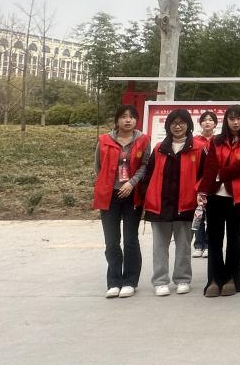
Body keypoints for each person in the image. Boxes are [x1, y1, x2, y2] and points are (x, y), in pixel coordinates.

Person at [197, 105, 240, 297]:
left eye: (239, 118)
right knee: (214, 238)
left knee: (234, 238)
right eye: (232, 118)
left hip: (237, 196)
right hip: (215, 195)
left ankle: (232, 278)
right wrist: (203, 190)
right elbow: (210, 166)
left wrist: (221, 174)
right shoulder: (216, 141)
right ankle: (215, 279)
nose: (235, 122)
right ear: (226, 121)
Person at [92, 104, 151, 298]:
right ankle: (114, 281)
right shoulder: (104, 140)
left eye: (132, 117)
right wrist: (110, 185)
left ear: (136, 120)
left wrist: (131, 183)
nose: (128, 120)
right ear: (117, 120)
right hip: (110, 196)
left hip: (132, 195)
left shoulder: (143, 140)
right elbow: (98, 167)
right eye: (124, 116)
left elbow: (145, 165)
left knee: (130, 239)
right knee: (111, 241)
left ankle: (130, 281)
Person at [143, 110, 199, 297]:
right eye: (174, 123)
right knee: (159, 246)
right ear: (168, 126)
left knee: (184, 246)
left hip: (186, 204)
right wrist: (147, 197)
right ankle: (160, 281)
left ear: (188, 125)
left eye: (182, 123)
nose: (178, 126)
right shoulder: (159, 148)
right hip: (160, 204)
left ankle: (183, 279)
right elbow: (148, 175)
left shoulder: (197, 148)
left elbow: (203, 175)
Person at [191, 110, 217, 258]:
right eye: (205, 120)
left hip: (213, 183)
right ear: (200, 123)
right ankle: (198, 244)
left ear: (215, 123)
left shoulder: (218, 140)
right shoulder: (194, 140)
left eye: (211, 120)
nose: (207, 122)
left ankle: (208, 245)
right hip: (197, 183)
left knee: (212, 215)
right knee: (199, 213)